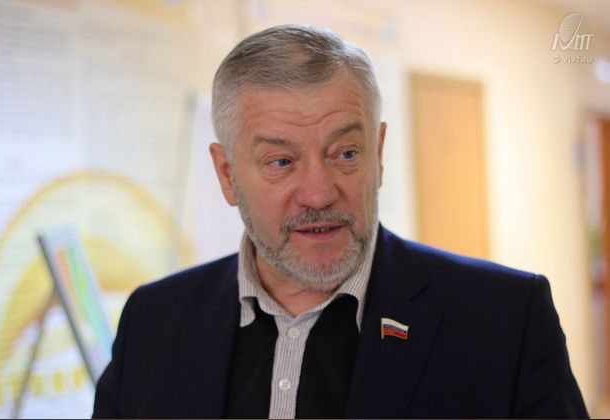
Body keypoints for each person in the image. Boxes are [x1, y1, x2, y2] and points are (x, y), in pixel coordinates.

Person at [92, 24, 588, 419]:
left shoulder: (505, 322)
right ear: (227, 174)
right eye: (281, 161)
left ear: (379, 153)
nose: (319, 193)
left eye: (345, 153)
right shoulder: (152, 322)